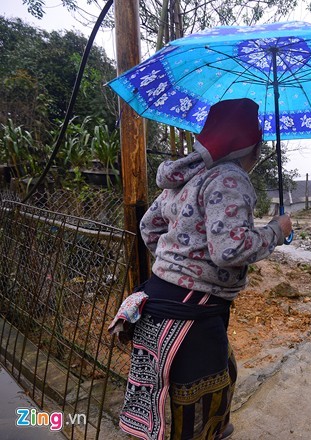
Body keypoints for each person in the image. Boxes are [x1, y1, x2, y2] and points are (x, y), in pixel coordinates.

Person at [109, 98, 292, 440]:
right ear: (250, 147)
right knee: (196, 401)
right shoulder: (230, 180)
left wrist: (174, 265)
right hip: (194, 311)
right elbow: (230, 249)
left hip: (160, 295)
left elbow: (149, 228)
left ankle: (212, 428)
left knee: (200, 376)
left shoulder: (185, 179)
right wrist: (276, 231)